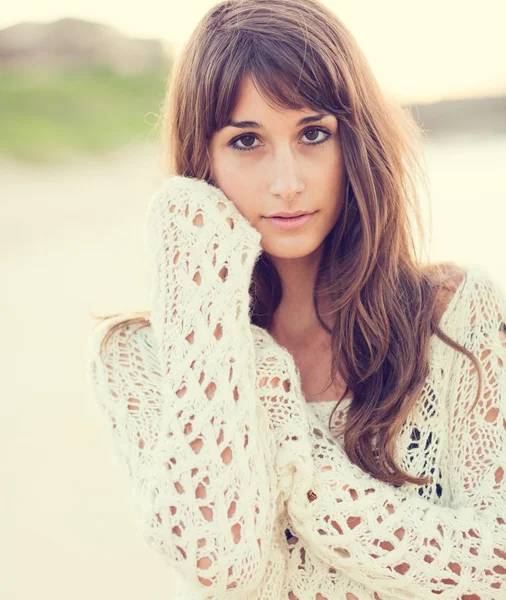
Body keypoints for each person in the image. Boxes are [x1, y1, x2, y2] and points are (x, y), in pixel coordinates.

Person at [87, 0, 506, 598]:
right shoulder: (141, 356)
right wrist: (212, 315)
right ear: (201, 159)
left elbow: (495, 564)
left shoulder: (454, 314)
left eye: (313, 134)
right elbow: (218, 561)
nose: (287, 182)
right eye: (245, 141)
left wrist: (297, 457)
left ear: (355, 142)